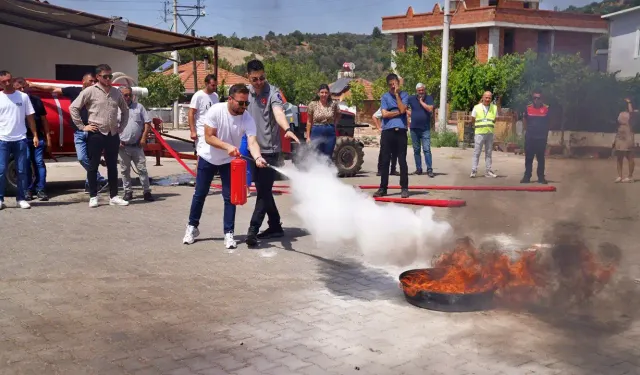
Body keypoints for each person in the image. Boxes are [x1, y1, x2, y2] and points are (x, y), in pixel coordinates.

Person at [182, 84, 268, 249]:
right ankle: (192, 227)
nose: (244, 107)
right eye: (241, 103)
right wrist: (227, 147)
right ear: (230, 99)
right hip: (209, 157)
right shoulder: (216, 111)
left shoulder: (247, 118)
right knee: (200, 194)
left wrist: (257, 157)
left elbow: (252, 141)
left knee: (230, 198)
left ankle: (229, 233)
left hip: (228, 162)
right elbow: (208, 137)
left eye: (246, 103)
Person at [244, 59, 300, 247]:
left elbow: (278, 113)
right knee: (263, 190)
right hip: (253, 148)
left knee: (263, 192)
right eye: (255, 79)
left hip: (270, 150)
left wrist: (286, 129)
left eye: (262, 78)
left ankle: (252, 230)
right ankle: (275, 225)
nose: (259, 82)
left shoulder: (272, 92)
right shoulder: (246, 92)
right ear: (248, 77)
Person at [27, 73, 108, 193]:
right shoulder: (74, 91)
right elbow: (53, 89)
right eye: (90, 81)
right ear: (83, 81)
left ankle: (90, 184)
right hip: (79, 131)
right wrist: (34, 86)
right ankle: (99, 178)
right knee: (82, 158)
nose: (93, 83)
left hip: (93, 131)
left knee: (91, 159)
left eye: (94, 81)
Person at [69, 64, 130, 208]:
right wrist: (83, 127)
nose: (108, 79)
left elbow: (125, 110)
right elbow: (73, 108)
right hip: (96, 132)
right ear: (98, 77)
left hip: (112, 133)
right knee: (93, 165)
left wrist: (122, 127)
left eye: (110, 76)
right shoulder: (90, 91)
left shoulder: (116, 92)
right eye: (105, 76)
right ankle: (93, 196)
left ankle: (114, 196)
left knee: (113, 166)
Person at [0, 70, 39, 210]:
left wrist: (35, 135)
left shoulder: (23, 97)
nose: (7, 83)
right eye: (3, 81)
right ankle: (0, 199)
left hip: (20, 139)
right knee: (1, 170)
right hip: (2, 139)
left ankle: (21, 198)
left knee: (22, 170)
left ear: (12, 79)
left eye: (9, 80)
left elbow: (30, 117)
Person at [14, 77, 51, 201]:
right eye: (19, 88)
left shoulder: (36, 100)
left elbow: (43, 120)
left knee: (39, 162)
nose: (23, 90)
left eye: (24, 87)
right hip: (21, 138)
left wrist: (48, 137)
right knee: (26, 163)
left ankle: (41, 189)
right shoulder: (12, 101)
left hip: (37, 138)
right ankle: (28, 189)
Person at [373, 73, 410, 199]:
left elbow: (403, 109)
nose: (393, 87)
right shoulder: (384, 97)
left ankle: (404, 188)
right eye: (391, 85)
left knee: (402, 161)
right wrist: (398, 112)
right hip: (387, 131)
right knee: (385, 161)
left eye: (395, 84)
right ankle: (383, 188)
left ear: (398, 83)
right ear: (388, 85)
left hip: (401, 131)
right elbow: (384, 114)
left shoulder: (404, 95)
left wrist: (396, 95)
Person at [117, 86, 154, 202]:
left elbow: (147, 123)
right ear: (120, 95)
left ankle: (147, 191)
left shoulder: (139, 107)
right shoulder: (115, 109)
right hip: (123, 147)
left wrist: (143, 138)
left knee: (142, 169)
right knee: (124, 171)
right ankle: (128, 192)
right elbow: (111, 126)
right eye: (125, 95)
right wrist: (116, 141)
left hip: (137, 146)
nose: (128, 97)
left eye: (129, 95)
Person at [521, 89, 549, 184]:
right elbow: (524, 120)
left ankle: (541, 177)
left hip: (541, 138)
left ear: (542, 99)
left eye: (538, 98)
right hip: (530, 138)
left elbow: (550, 121)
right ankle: (527, 177)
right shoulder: (528, 108)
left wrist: (545, 133)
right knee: (529, 158)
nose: (536, 100)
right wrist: (526, 131)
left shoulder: (546, 109)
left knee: (541, 158)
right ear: (532, 99)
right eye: (535, 98)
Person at [306, 84, 341, 159]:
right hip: (316, 131)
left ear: (328, 94)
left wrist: (335, 124)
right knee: (316, 155)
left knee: (328, 156)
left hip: (330, 132)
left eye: (326, 92)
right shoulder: (312, 104)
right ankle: (316, 170)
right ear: (318, 93)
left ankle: (326, 170)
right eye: (322, 92)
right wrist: (308, 137)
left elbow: (338, 114)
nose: (324, 94)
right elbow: (309, 121)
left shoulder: (333, 104)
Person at [407, 83, 435, 177]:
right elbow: (403, 107)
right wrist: (411, 114)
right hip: (414, 128)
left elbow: (430, 109)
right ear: (416, 91)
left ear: (424, 90)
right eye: (419, 90)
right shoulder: (411, 98)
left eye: (422, 90)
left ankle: (429, 169)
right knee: (416, 150)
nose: (421, 92)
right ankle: (418, 169)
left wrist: (421, 102)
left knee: (427, 149)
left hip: (425, 129)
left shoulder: (429, 98)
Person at [470, 91, 498, 178]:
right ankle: (474, 170)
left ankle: (488, 170)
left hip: (489, 133)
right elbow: (473, 119)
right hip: (479, 133)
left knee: (489, 153)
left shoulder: (494, 108)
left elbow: (495, 119)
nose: (487, 99)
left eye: (489, 98)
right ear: (483, 97)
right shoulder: (477, 107)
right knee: (477, 152)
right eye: (486, 97)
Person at [189, 74, 219, 150]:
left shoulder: (215, 96)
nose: (214, 87)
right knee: (201, 152)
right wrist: (193, 131)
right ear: (206, 84)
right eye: (212, 85)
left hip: (213, 130)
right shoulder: (198, 96)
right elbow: (191, 113)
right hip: (201, 130)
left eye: (215, 85)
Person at [613, 98, 637, 183]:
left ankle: (630, 176)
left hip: (628, 134)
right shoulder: (620, 113)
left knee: (629, 156)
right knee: (619, 157)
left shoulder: (631, 114)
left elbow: (631, 112)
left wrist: (629, 102)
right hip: (620, 135)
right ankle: (620, 176)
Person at [372, 108, 397, 176]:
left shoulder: (398, 106)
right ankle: (380, 170)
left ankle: (393, 170)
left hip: (396, 131)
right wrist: (378, 127)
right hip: (386, 131)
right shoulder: (384, 107)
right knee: (383, 151)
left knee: (395, 152)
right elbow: (374, 116)